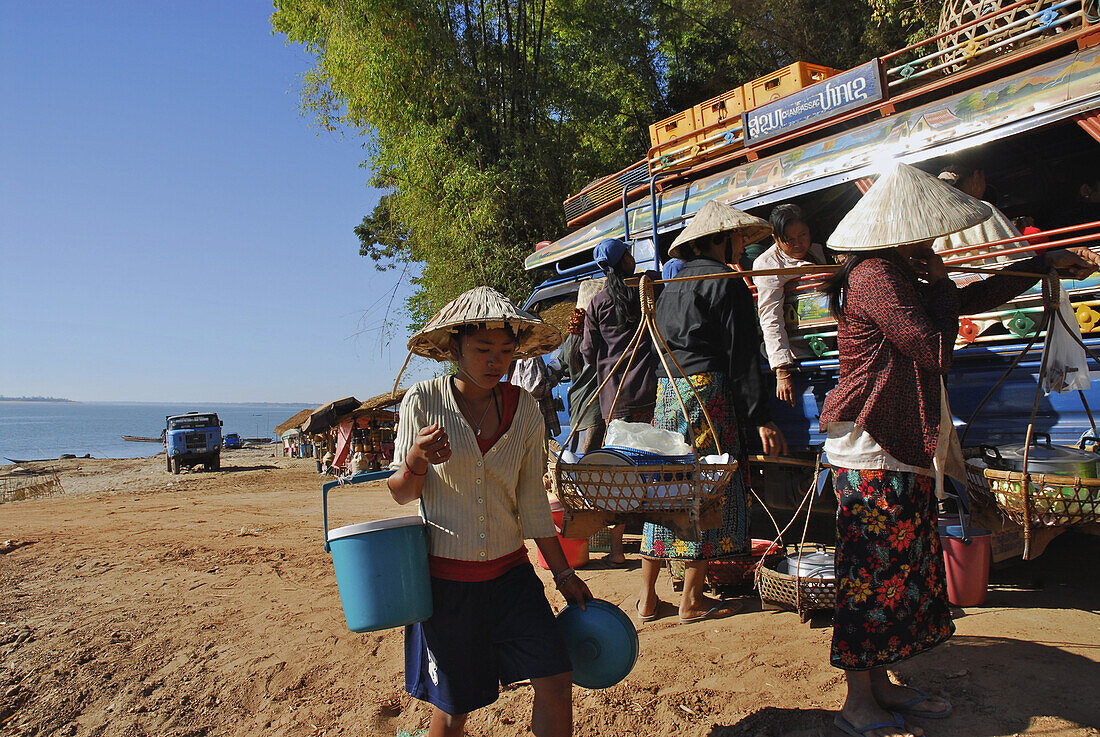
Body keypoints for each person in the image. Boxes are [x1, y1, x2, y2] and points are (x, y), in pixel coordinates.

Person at [820, 163, 1099, 737]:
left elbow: (967, 300)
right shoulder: (877, 277)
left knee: (898, 573)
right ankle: (857, 700)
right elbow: (934, 347)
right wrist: (942, 282)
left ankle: (881, 684)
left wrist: (1039, 265)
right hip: (874, 445)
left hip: (897, 444)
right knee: (872, 575)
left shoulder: (895, 271)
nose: (929, 242)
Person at [388, 286, 592, 737]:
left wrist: (562, 574)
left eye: (505, 350)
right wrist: (417, 459)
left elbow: (534, 504)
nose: (495, 360)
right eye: (483, 349)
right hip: (447, 587)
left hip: (511, 579)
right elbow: (401, 493)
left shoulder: (525, 410)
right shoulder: (422, 400)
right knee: (455, 707)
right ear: (456, 346)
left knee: (557, 681)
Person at [637, 200, 788, 625]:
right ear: (719, 240)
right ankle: (691, 601)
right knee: (707, 487)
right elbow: (743, 358)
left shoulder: (670, 288)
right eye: (737, 237)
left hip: (668, 397)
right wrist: (761, 417)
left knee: (666, 489)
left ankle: (648, 599)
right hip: (707, 395)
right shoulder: (724, 281)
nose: (741, 244)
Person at [582, 238, 659, 567]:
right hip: (646, 393)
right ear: (624, 260)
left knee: (621, 473)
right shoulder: (645, 290)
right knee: (653, 465)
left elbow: (587, 353)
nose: (632, 257)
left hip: (613, 399)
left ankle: (616, 549)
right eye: (628, 253)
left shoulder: (597, 303)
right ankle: (655, 545)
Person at [751, 203, 829, 405]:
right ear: (776, 238)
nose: (798, 244)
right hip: (799, 353)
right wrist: (782, 370)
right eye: (789, 240)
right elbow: (770, 316)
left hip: (826, 343)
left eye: (803, 235)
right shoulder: (767, 264)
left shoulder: (817, 251)